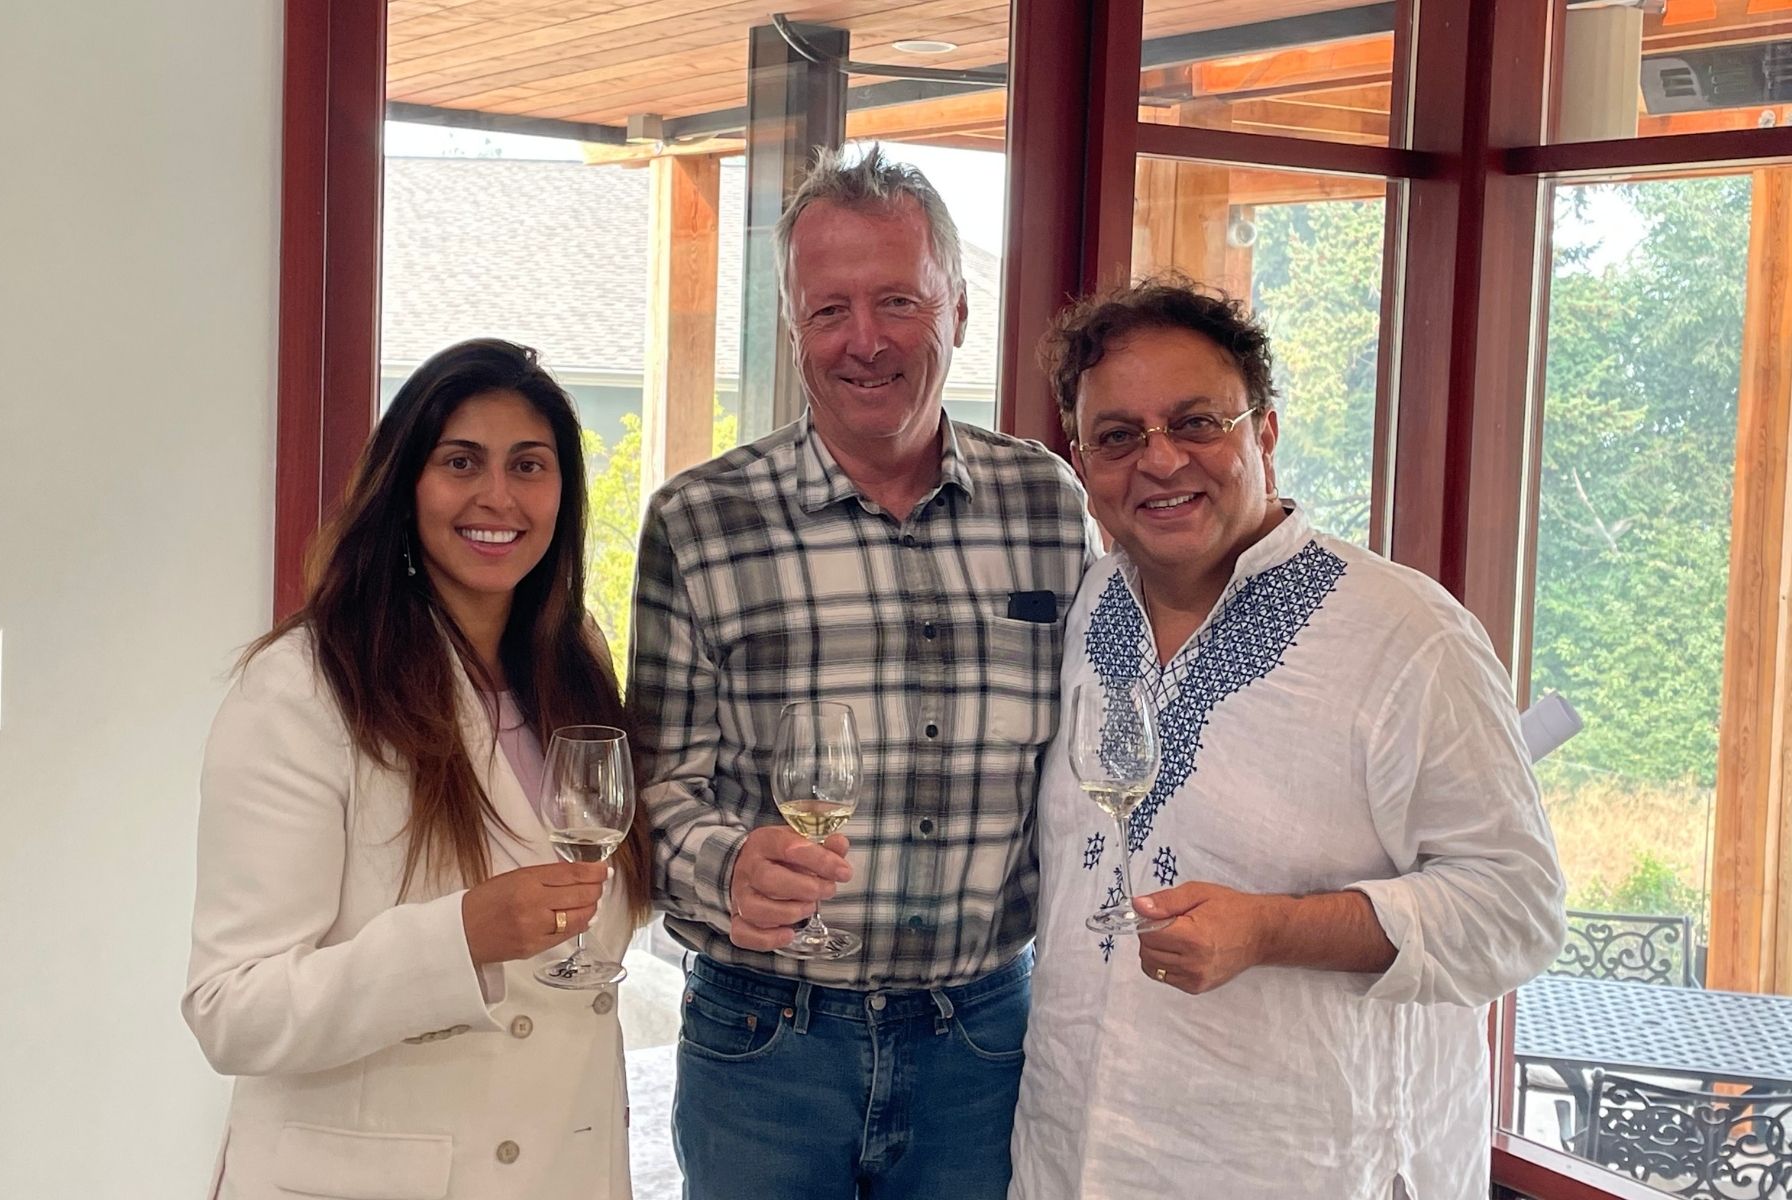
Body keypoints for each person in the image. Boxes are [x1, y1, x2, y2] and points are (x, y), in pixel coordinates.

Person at [1009, 279, 1566, 1200]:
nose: (1159, 461)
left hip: (1300, 1164)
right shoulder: (1089, 607)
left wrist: (1273, 929)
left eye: (1196, 423)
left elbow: (1517, 911)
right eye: (1118, 436)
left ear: (1263, 432)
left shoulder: (1403, 635)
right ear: (1082, 458)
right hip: (1071, 1155)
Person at [628, 145, 1097, 1200]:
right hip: (765, 1039)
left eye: (899, 300)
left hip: (987, 1039)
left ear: (961, 311)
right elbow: (656, 791)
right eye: (829, 309)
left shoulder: (1050, 506)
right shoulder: (700, 521)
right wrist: (727, 870)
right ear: (792, 329)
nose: (866, 340)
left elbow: (1099, 749)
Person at [183, 339, 649, 1200]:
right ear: (405, 485)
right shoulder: (307, 685)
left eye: (530, 465)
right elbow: (232, 1009)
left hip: (565, 1166)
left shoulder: (572, 664)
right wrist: (459, 936)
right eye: (461, 462)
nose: (497, 497)